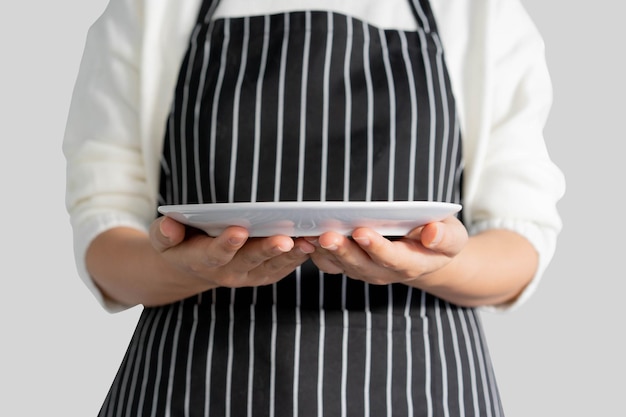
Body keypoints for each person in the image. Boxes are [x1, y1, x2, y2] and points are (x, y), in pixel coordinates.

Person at [63, 0, 565, 415]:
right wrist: (192, 268)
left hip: (422, 390)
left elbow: (519, 247)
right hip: (192, 386)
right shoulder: (150, 9)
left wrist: (431, 264)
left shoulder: (482, 13)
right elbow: (106, 244)